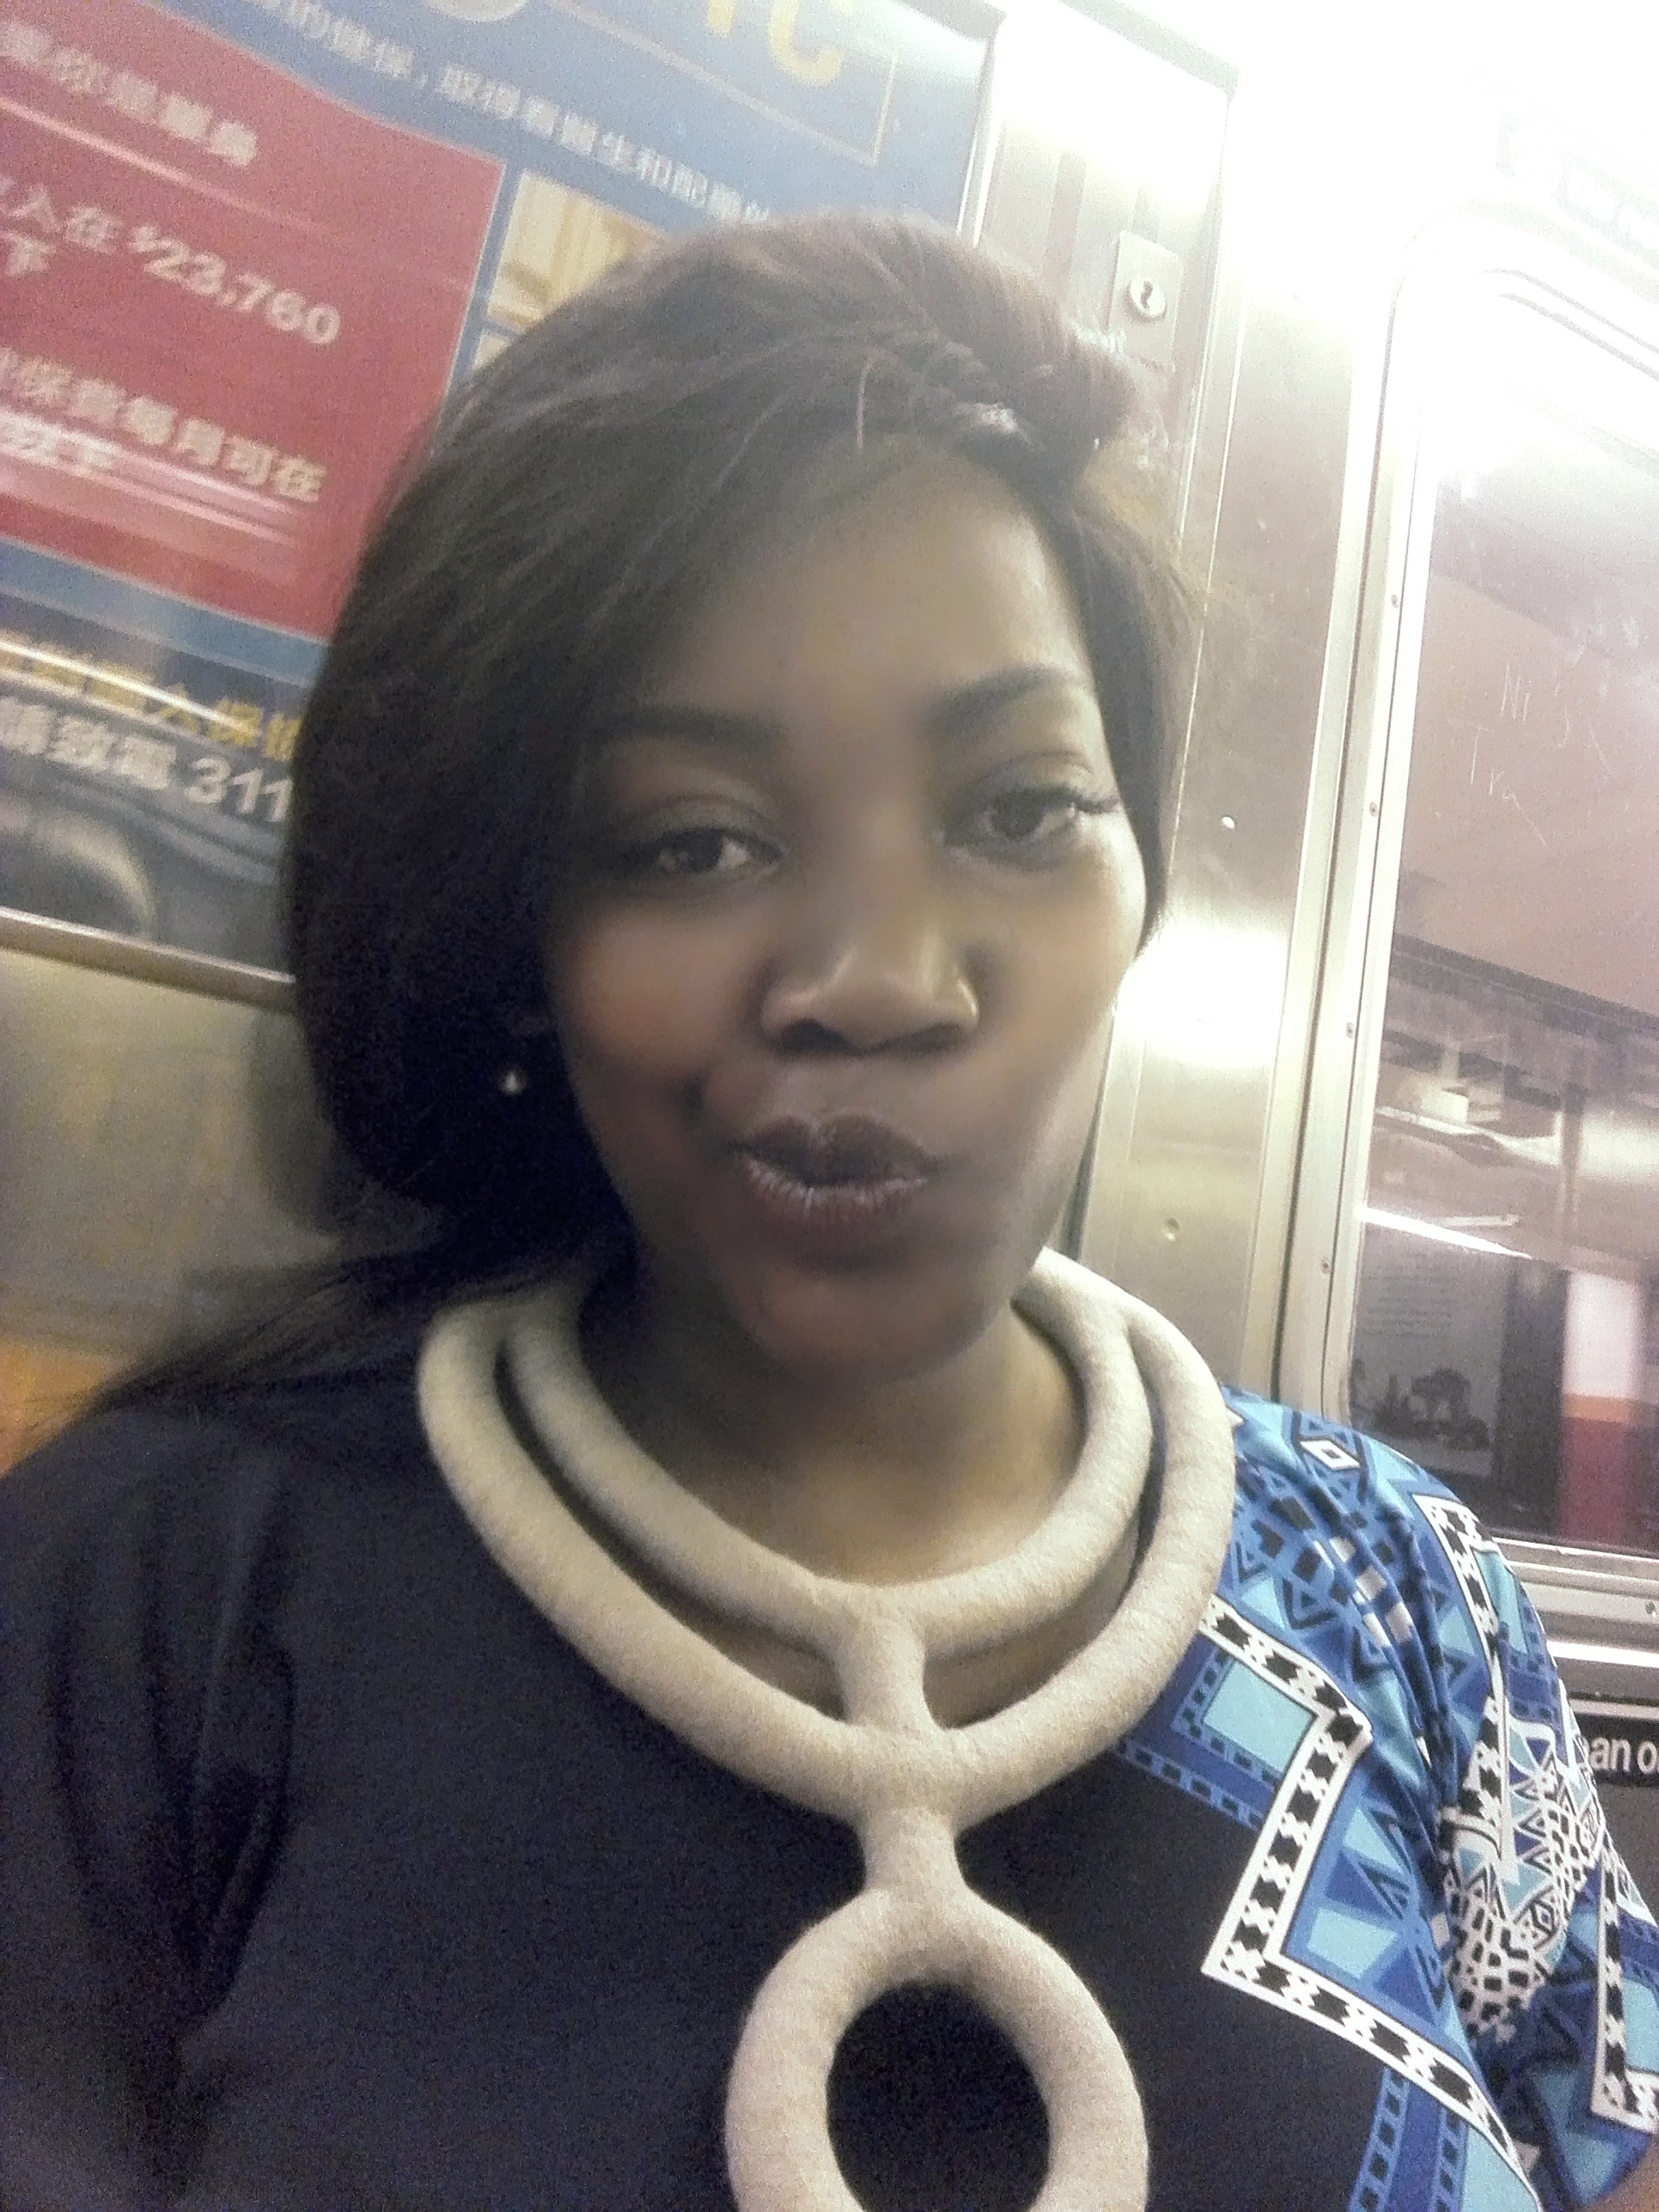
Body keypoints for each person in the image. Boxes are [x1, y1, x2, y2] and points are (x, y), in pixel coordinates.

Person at [2, 212, 1656, 2212]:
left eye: (1021, 811)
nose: (878, 981)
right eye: (694, 842)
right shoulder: (160, 1605)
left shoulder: (1403, 1596)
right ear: (520, 939)